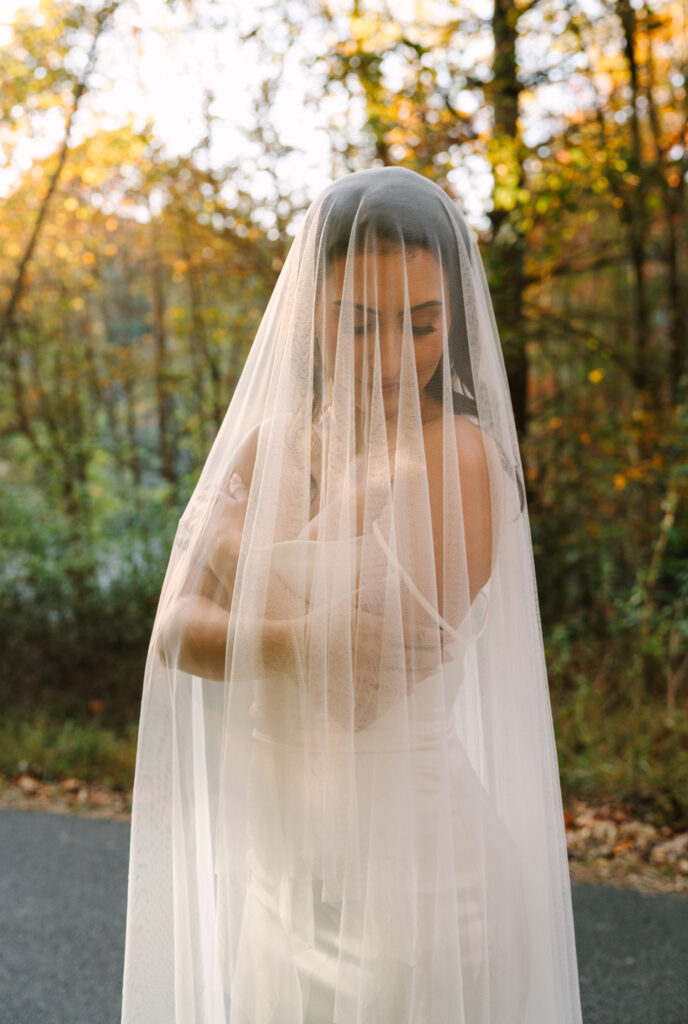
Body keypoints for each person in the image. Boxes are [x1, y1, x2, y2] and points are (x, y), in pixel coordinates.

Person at [120, 167, 583, 1023]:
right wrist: (301, 638)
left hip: (421, 893)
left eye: (422, 325)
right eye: (360, 324)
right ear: (312, 314)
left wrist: (231, 549)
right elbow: (176, 633)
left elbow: (364, 688)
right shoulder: (267, 442)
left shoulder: (461, 458)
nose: (392, 358)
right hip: (284, 890)